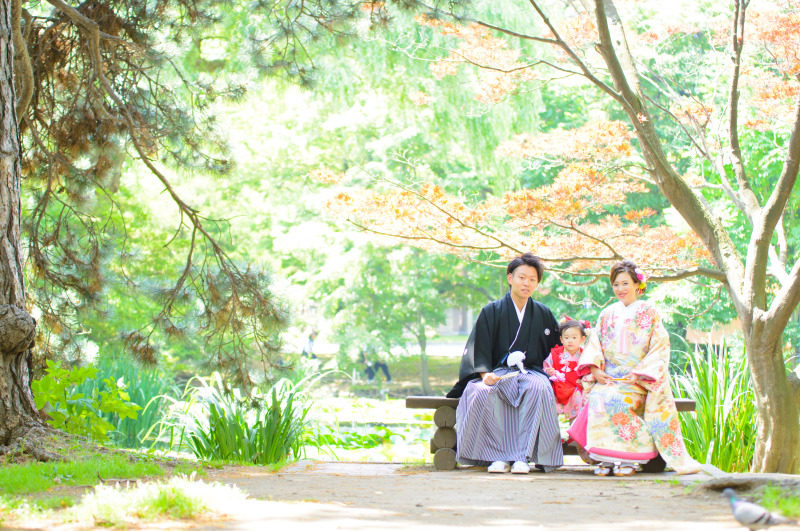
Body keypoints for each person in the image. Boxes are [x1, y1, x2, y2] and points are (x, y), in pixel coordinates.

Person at [567, 260, 701, 476]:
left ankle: (627, 459)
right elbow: (595, 346)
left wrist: (639, 374)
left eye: (625, 284)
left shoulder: (649, 311)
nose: (620, 289)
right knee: (599, 397)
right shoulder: (606, 313)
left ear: (638, 285)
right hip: (609, 379)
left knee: (616, 400)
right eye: (616, 285)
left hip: (638, 382)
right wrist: (595, 370)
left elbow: (660, 346)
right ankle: (606, 459)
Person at [446, 253, 563, 474]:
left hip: (531, 371)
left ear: (537, 283)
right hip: (496, 372)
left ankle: (523, 457)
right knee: (482, 392)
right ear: (510, 278)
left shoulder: (543, 313)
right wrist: (484, 374)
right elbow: (478, 347)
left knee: (539, 389)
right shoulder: (492, 311)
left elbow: (556, 349)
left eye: (532, 279)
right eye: (521, 277)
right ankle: (495, 457)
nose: (526, 283)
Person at [543, 319, 590, 421]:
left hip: (576, 387)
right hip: (557, 386)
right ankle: (552, 434)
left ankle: (573, 434)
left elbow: (588, 373)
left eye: (574, 337)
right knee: (549, 400)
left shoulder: (584, 356)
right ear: (561, 339)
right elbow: (546, 367)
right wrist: (549, 371)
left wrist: (583, 381)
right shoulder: (555, 354)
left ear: (582, 339)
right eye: (566, 337)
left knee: (579, 399)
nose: (570, 341)